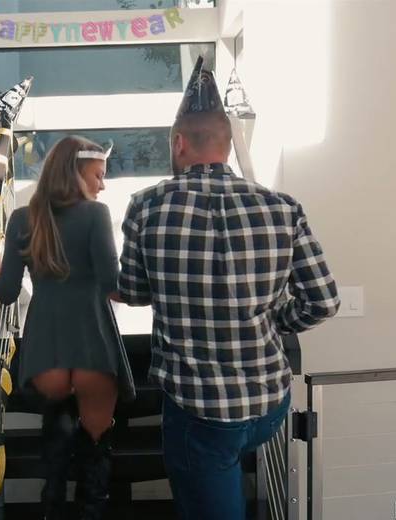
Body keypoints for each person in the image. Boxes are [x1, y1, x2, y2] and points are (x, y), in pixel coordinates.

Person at [117, 57, 340, 520]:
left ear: (179, 143)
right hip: (269, 405)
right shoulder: (282, 207)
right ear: (229, 146)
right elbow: (323, 301)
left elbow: (134, 292)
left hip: (201, 409)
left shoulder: (147, 207)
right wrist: (274, 319)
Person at [0, 135, 129, 520]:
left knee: (56, 447)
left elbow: (6, 293)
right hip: (93, 341)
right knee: (96, 451)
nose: (102, 185)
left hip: (47, 348)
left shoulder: (21, 219)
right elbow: (112, 284)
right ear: (76, 173)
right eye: (98, 175)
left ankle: (52, 509)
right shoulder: (96, 215)